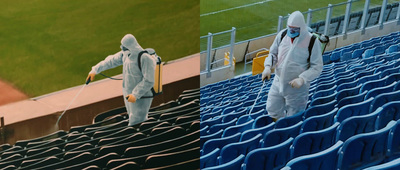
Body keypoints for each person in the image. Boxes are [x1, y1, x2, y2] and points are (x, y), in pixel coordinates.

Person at [262, 11, 323, 121]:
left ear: (302, 27)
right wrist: (267, 66)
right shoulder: (282, 35)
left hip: (297, 90)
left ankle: (289, 133)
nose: (291, 31)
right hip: (278, 82)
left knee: (294, 116)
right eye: (290, 27)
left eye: (295, 29)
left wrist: (302, 78)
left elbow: (317, 66)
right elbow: (273, 53)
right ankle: (278, 130)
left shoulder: (312, 42)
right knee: (272, 108)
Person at [87, 34, 156, 126]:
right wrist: (95, 70)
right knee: (132, 117)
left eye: (123, 46)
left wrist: (135, 94)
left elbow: (149, 80)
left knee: (138, 121)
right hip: (128, 94)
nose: (121, 48)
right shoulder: (126, 55)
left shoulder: (145, 58)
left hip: (142, 96)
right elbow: (110, 61)